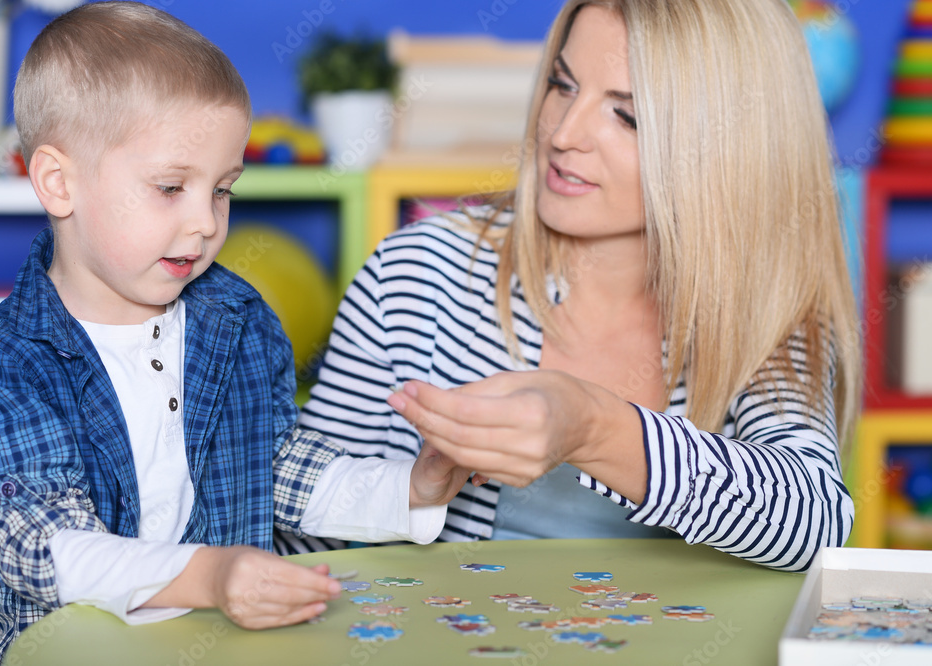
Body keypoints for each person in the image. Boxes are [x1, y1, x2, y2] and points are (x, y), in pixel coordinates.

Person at [0, 4, 466, 664]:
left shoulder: (239, 317)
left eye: (223, 190)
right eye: (172, 187)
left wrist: (410, 490)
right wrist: (210, 576)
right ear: (58, 182)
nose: (206, 223)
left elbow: (280, 468)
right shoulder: (6, 355)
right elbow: (45, 543)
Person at [285, 0, 861, 570]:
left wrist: (591, 426)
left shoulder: (767, 310)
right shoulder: (417, 272)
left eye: (627, 116)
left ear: (732, 150)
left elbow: (813, 521)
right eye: (563, 85)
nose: (563, 133)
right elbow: (299, 542)